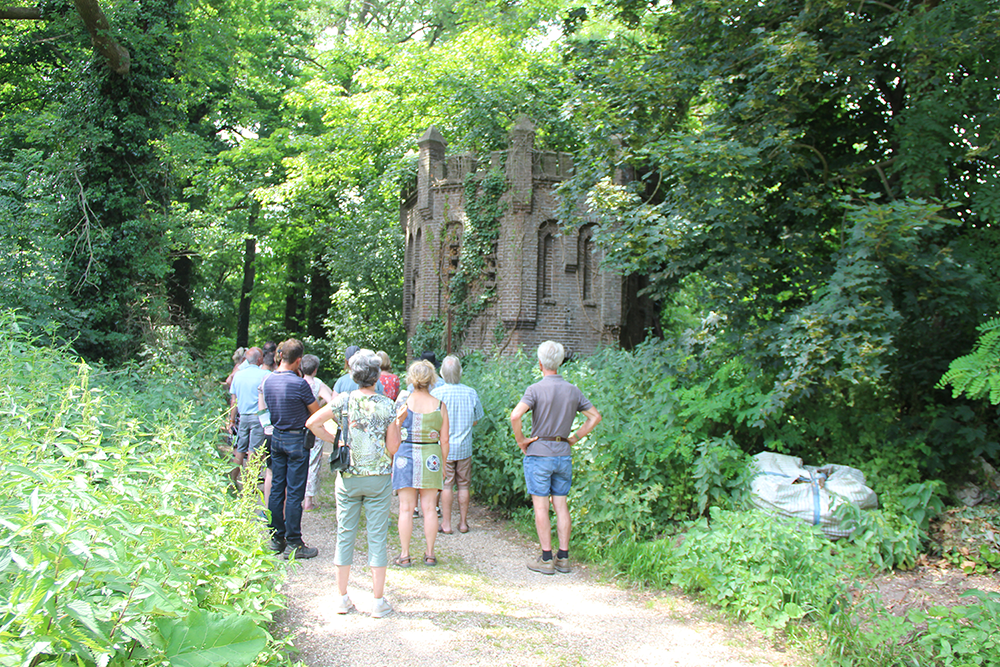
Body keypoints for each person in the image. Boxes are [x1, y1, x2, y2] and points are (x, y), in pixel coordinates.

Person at [307, 349, 400, 618]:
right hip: (378, 479)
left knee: (345, 534)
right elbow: (393, 447)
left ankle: (342, 598)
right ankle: (378, 601)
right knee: (377, 537)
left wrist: (336, 440)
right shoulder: (387, 405)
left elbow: (312, 422)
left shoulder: (343, 401)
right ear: (377, 375)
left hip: (348, 478)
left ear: (353, 374)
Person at [510, 341, 601, 575]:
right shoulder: (573, 390)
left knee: (541, 506)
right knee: (561, 505)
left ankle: (546, 558)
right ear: (559, 363)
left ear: (540, 363)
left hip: (539, 454)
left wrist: (521, 441)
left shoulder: (535, 389)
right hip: (563, 454)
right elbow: (595, 417)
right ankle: (563, 557)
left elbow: (515, 416)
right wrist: (574, 438)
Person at [262, 338, 320, 559]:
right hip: (296, 440)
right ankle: (294, 542)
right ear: (298, 360)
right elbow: (315, 412)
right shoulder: (300, 384)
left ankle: (276, 537)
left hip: (276, 436)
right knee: (295, 492)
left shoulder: (268, 380)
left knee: (277, 488)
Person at [393, 360, 449, 566]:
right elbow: (445, 440)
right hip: (431, 457)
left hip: (405, 455)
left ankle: (405, 555)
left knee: (406, 508)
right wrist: (443, 464)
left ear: (411, 378)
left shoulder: (402, 404)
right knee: (430, 508)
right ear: (431, 379)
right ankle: (430, 553)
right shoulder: (440, 406)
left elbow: (393, 432)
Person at [431, 355, 484, 534]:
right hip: (464, 447)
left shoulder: (436, 394)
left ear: (442, 373)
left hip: (444, 448)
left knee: (447, 484)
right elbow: (476, 419)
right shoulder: (471, 393)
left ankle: (446, 524)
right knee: (464, 485)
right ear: (460, 372)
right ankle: (463, 523)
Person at [227, 347, 269, 488]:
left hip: (243, 417)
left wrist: (232, 421)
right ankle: (249, 484)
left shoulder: (238, 375)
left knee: (240, 449)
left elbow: (234, 401)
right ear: (259, 359)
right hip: (258, 417)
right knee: (254, 450)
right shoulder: (265, 375)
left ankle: (232, 481)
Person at [301, 354, 335, 512]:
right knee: (313, 463)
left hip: (298, 426)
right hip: (313, 427)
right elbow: (332, 401)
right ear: (315, 369)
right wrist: (319, 405)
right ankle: (308, 500)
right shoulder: (318, 384)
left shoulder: (298, 381)